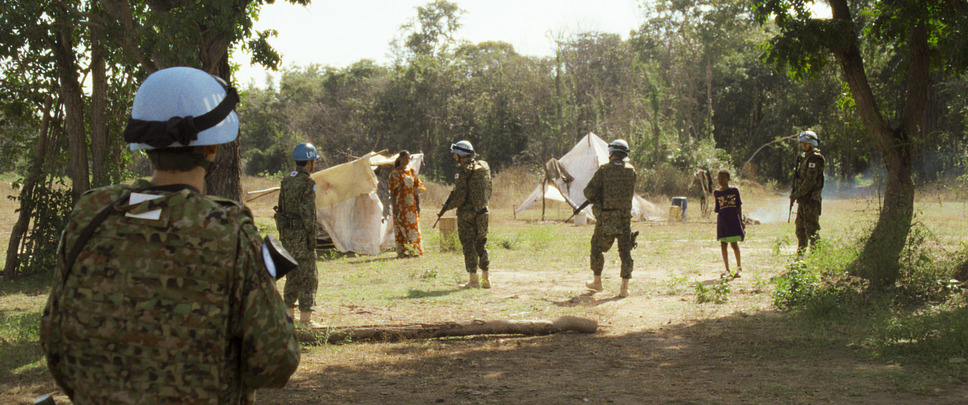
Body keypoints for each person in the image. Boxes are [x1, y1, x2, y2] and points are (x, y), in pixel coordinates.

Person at [39, 67, 299, 404]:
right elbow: (274, 365)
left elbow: (55, 342)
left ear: (146, 145)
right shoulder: (227, 230)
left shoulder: (94, 213)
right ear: (212, 148)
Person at [276, 142, 323, 327]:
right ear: (309, 162)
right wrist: (312, 238)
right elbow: (308, 213)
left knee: (292, 275)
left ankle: (288, 317)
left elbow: (280, 209)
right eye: (314, 161)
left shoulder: (287, 179)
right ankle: (306, 320)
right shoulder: (308, 182)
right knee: (308, 276)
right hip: (302, 236)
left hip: (287, 235)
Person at [583, 139, 637, 298]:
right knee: (625, 252)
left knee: (596, 247)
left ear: (611, 153)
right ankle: (624, 288)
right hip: (624, 218)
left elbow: (588, 192)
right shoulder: (631, 171)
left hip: (606, 218)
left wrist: (599, 199)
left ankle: (597, 282)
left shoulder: (604, 170)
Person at [441, 140, 492, 288]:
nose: (453, 156)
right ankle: (486, 279)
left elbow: (460, 196)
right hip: (483, 211)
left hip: (467, 214)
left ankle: (473, 280)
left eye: (455, 154)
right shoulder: (483, 166)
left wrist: (448, 206)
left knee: (468, 245)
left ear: (461, 154)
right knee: (481, 244)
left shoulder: (463, 170)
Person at [791, 130, 825, 255]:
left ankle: (817, 258)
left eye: (806, 143)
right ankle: (800, 258)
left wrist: (797, 194)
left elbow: (809, 181)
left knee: (812, 230)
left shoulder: (815, 159)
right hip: (803, 199)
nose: (803, 146)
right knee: (800, 229)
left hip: (811, 199)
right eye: (802, 143)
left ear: (812, 144)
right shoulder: (805, 158)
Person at [389, 150, 426, 257]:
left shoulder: (412, 172)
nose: (406, 161)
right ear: (400, 159)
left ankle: (414, 250)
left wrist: (418, 204)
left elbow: (417, 189)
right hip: (401, 204)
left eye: (408, 159)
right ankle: (403, 251)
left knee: (413, 227)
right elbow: (393, 192)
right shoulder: (395, 173)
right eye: (404, 158)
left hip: (412, 205)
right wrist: (394, 207)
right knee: (402, 227)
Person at [714, 169, 744, 278]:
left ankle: (739, 268)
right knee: (723, 244)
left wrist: (741, 221)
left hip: (733, 220)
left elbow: (739, 206)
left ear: (728, 179)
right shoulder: (716, 193)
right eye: (719, 178)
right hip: (723, 221)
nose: (720, 180)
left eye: (723, 178)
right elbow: (718, 209)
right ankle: (727, 269)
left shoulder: (735, 191)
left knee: (734, 244)